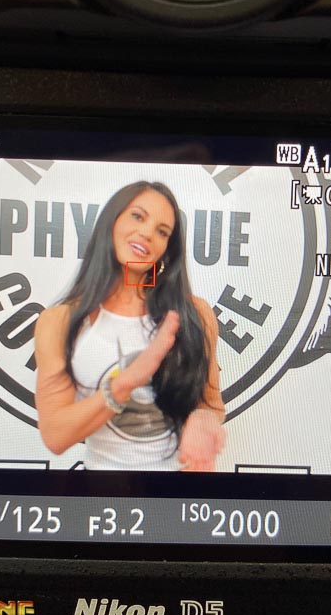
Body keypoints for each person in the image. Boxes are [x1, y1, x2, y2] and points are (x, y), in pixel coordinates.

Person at [34, 180, 225, 471]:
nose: (147, 233)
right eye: (138, 216)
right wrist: (126, 382)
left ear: (167, 249)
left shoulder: (195, 314)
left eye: (162, 232)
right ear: (111, 222)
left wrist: (202, 421)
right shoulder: (59, 321)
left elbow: (211, 405)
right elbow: (55, 435)